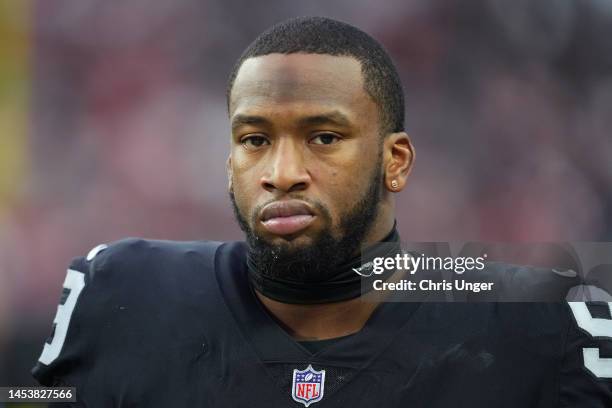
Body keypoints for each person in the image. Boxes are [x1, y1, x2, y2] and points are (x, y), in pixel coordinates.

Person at [33, 16, 612, 407]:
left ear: (397, 160)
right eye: (255, 139)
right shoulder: (117, 292)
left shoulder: (550, 321)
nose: (282, 172)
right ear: (229, 159)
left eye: (324, 137)